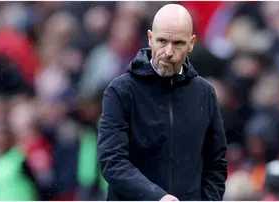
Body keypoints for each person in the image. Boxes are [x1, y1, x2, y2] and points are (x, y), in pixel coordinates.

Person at [97, 4, 228, 201]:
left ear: (191, 43)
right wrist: (157, 197)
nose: (168, 51)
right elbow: (112, 161)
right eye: (162, 41)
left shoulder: (204, 93)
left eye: (178, 43)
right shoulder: (121, 91)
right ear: (150, 38)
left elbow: (215, 164)